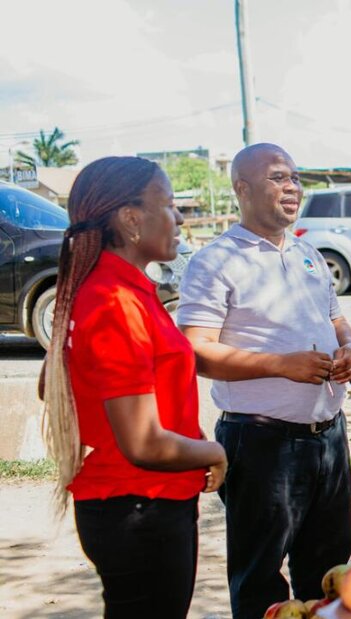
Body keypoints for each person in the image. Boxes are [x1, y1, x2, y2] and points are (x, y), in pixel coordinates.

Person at [177, 143, 351, 618]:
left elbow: (337, 319)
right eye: (278, 177)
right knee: (260, 580)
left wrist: (350, 349)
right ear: (242, 189)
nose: (292, 186)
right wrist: (281, 365)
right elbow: (195, 350)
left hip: (328, 438)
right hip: (262, 443)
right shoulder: (215, 260)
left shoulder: (307, 253)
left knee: (329, 573)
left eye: (295, 177)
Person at [40, 156, 227, 618]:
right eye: (169, 204)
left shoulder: (115, 288)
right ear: (130, 219)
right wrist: (214, 452)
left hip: (141, 504)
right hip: (139, 507)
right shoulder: (113, 301)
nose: (179, 217)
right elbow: (143, 443)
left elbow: (57, 384)